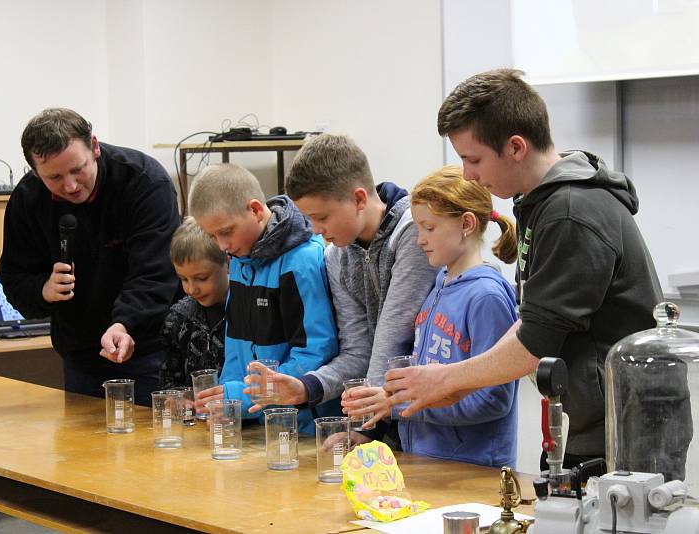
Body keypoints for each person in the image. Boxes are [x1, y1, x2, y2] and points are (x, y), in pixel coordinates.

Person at [385, 69, 663, 466]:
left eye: (473, 159)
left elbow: (535, 343)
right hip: (596, 420)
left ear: (516, 147)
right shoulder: (541, 203)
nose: (469, 174)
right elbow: (537, 319)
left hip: (626, 425)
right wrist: (459, 382)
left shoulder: (570, 212)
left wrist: (447, 379)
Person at [245, 134, 437, 440]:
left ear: (359, 199)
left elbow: (392, 335)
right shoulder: (336, 256)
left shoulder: (412, 233)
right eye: (309, 219)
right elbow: (358, 351)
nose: (317, 230)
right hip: (389, 417)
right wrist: (306, 386)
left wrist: (366, 429)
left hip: (430, 421)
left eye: (321, 217)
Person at [0, 108, 182, 406]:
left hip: (149, 349)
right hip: (81, 357)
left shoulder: (144, 182)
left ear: (94, 147)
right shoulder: (28, 199)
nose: (70, 186)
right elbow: (14, 277)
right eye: (54, 177)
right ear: (34, 171)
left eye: (77, 169)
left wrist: (126, 324)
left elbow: (155, 272)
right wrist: (42, 290)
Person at [353, 165, 519, 467]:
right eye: (418, 228)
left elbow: (493, 399)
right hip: (428, 460)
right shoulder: (439, 283)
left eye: (429, 228)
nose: (420, 239)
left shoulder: (486, 296)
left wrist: (401, 404)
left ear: (467, 224)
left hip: (473, 469)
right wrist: (388, 396)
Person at [188, 163, 338, 434]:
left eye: (225, 231)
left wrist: (243, 397)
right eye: (212, 236)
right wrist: (227, 402)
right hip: (261, 422)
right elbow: (235, 346)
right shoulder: (240, 259)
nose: (222, 246)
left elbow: (316, 350)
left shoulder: (300, 262)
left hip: (306, 429)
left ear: (256, 211)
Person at [159, 216, 229, 390]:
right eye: (183, 279)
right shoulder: (178, 318)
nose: (191, 289)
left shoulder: (246, 310)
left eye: (202, 278)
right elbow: (169, 377)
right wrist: (178, 399)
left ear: (227, 263)